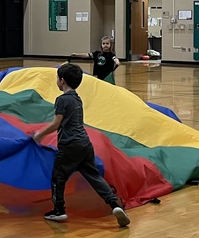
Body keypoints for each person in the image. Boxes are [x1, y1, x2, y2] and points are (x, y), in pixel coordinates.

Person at [32, 62, 130, 227]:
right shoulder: (77, 99)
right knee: (94, 176)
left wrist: (39, 135)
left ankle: (59, 210)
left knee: (58, 177)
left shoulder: (62, 100)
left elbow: (56, 123)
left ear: (62, 81)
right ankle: (115, 205)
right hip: (85, 144)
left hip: (70, 146)